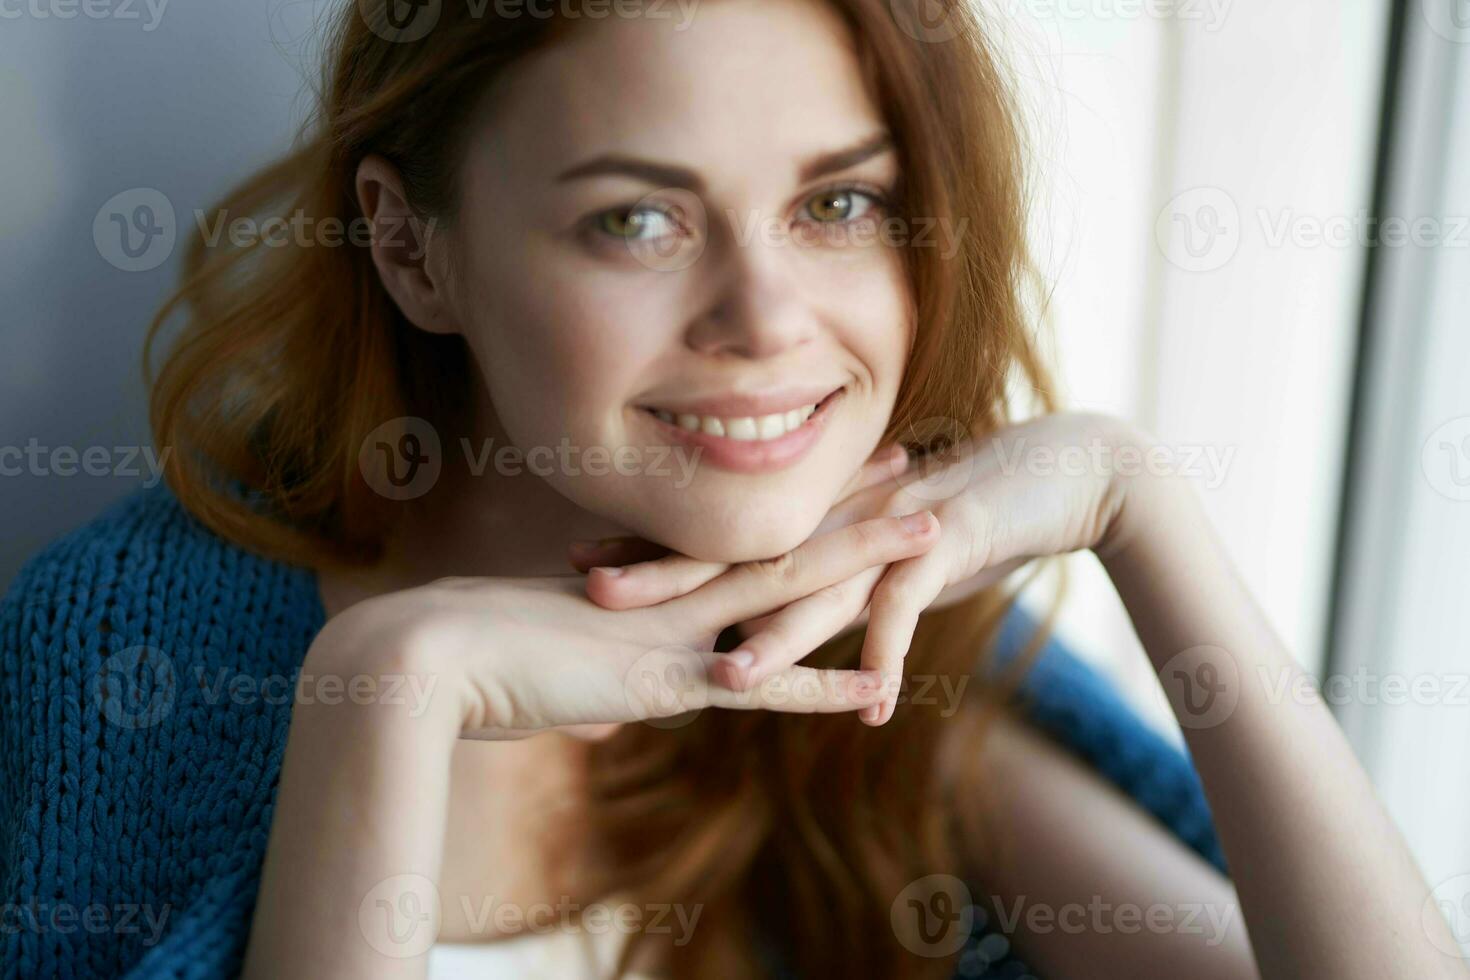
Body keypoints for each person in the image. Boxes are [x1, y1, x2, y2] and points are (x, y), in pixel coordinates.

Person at [2, 0, 1461, 977]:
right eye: (636, 219)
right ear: (411, 248)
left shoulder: (875, 658)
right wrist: (390, 687)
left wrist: (1136, 498)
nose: (763, 318)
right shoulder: (113, 659)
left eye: (838, 204)